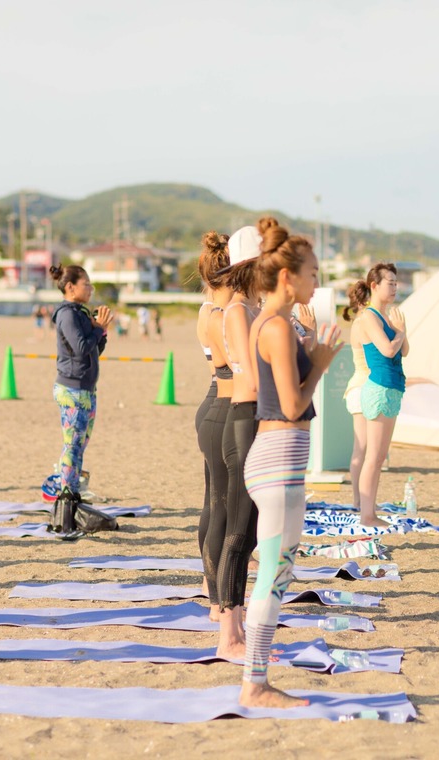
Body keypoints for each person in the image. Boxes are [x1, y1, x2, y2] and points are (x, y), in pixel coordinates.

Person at [241, 221, 342, 708]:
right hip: (279, 459)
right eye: (313, 274)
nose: (316, 283)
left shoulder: (270, 321)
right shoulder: (276, 326)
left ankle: (256, 680)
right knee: (274, 574)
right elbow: (292, 404)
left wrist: (308, 353)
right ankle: (255, 684)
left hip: (277, 459)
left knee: (276, 572)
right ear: (288, 279)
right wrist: (319, 363)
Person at [217, 219, 270, 658]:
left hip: (257, 417)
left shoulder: (256, 308)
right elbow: (250, 375)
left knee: (250, 532)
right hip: (243, 419)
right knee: (237, 531)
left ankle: (239, 627)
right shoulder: (237, 311)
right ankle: (228, 633)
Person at [193, 231, 239, 647]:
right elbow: (229, 362)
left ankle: (213, 590)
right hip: (222, 405)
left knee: (214, 502)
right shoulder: (221, 313)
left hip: (213, 401)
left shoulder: (207, 308)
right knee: (221, 505)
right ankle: (216, 595)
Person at [49, 265, 113, 503]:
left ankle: (72, 488)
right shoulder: (67, 314)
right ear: (70, 287)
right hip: (72, 388)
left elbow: (94, 350)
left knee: (79, 444)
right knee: (73, 445)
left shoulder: (80, 312)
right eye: (86, 284)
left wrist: (101, 332)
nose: (90, 288)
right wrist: (98, 330)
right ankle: (66, 493)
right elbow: (80, 348)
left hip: (86, 388)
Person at [355, 263, 408, 527]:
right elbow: (388, 349)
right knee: (373, 457)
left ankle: (371, 511)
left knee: (379, 458)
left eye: (396, 282)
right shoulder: (369, 316)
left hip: (394, 388)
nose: (395, 287)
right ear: (374, 285)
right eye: (390, 282)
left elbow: (404, 350)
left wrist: (401, 330)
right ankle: (367, 514)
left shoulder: (389, 316)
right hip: (379, 388)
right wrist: (399, 332)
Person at [342, 279, 372, 513]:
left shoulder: (360, 321)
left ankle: (360, 499)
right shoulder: (365, 322)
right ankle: (358, 499)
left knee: (362, 447)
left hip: (359, 387)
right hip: (362, 387)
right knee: (362, 448)